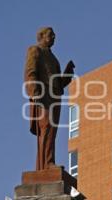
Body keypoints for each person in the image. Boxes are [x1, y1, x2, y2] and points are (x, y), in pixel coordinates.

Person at [24, 27, 75, 170]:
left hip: (55, 96)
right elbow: (30, 72)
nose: (53, 37)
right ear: (41, 36)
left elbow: (60, 83)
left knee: (52, 130)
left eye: (54, 35)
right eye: (50, 35)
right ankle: (46, 164)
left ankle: (48, 162)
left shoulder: (54, 59)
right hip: (43, 94)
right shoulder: (35, 50)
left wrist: (67, 73)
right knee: (45, 128)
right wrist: (34, 92)